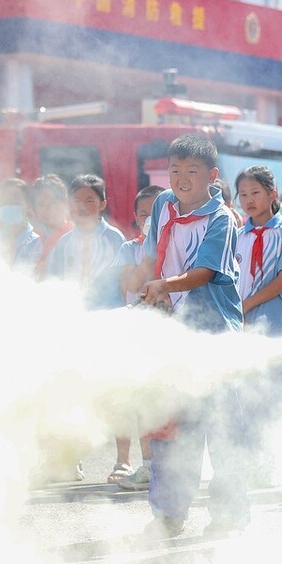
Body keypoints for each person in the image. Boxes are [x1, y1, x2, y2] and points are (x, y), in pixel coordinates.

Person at [135, 134, 247, 538]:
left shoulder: (221, 220)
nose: (182, 180)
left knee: (222, 429)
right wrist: (150, 287)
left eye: (192, 172)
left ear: (211, 176)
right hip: (169, 335)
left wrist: (164, 286)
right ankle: (168, 514)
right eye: (176, 171)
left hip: (213, 335)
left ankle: (231, 516)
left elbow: (204, 273)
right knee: (169, 429)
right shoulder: (164, 204)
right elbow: (152, 253)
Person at [234, 166, 282, 481]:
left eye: (255, 193)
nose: (249, 200)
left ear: (272, 194)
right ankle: (246, 458)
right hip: (242, 328)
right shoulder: (237, 235)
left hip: (275, 324)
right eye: (243, 194)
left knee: (272, 396)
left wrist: (245, 306)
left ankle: (270, 461)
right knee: (245, 395)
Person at [114, 184, 165, 490]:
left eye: (154, 214)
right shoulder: (128, 249)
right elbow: (132, 286)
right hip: (139, 335)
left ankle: (169, 466)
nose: (149, 219)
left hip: (170, 332)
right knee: (144, 401)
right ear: (135, 217)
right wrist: (148, 256)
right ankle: (147, 465)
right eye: (144, 214)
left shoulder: (176, 241)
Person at [45, 174, 127, 310]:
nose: (82, 207)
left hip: (108, 313)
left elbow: (125, 280)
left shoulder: (115, 238)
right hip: (73, 311)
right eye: (76, 201)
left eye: (89, 201)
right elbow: (55, 278)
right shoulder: (64, 242)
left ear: (102, 205)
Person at [0, 178, 42, 276]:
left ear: (28, 206)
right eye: (5, 201)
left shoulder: (38, 244)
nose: (9, 206)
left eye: (14, 201)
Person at [29, 175, 73, 276]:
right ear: (34, 210)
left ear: (65, 203)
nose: (48, 209)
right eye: (41, 204)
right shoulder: (34, 240)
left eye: (53, 203)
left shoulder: (77, 237)